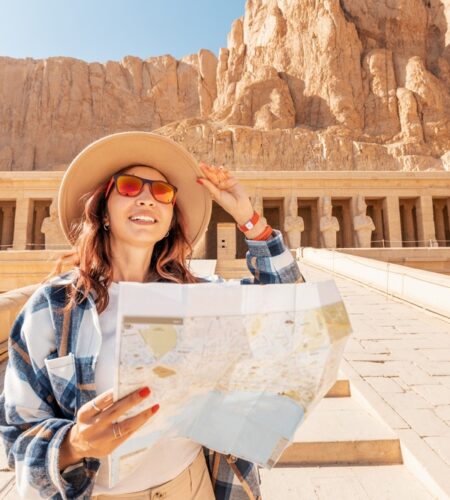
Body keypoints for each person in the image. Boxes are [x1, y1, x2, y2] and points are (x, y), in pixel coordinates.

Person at [0, 131, 304, 499]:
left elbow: (289, 304)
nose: (147, 197)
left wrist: (248, 218)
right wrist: (74, 444)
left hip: (192, 486)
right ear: (104, 210)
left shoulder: (197, 297)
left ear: (170, 219)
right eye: (129, 187)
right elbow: (18, 435)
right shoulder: (54, 307)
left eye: (162, 193)